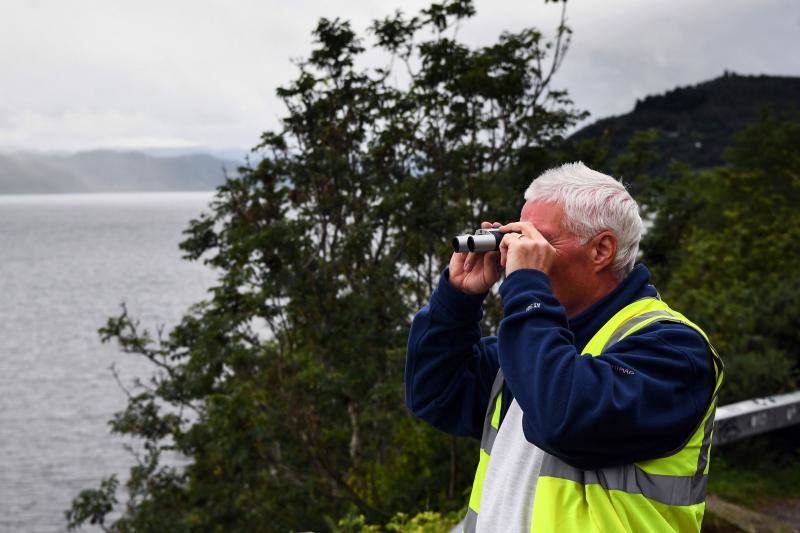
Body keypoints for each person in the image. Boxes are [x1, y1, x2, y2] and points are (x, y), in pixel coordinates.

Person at [405, 162, 723, 532]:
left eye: (539, 241)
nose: (515, 254)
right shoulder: (534, 344)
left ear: (602, 249)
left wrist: (527, 286)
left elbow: (564, 421)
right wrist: (457, 298)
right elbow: (434, 394)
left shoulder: (673, 350)